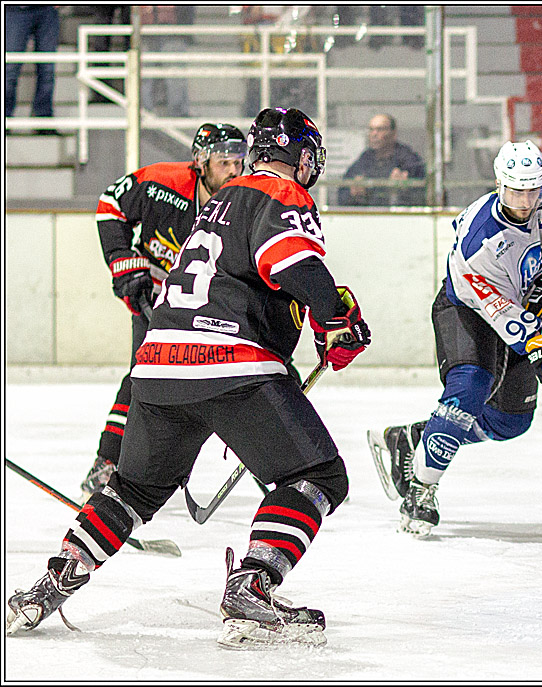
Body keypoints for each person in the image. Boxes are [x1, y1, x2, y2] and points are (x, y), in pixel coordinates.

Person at [6, 107, 372, 649]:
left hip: (157, 366)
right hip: (231, 366)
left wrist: (320, 317)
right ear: (300, 155)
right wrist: (338, 319)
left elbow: (249, 278)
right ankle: (252, 585)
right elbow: (290, 264)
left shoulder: (220, 200)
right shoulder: (281, 191)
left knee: (129, 491)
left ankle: (50, 583)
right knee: (319, 477)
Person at [367, 140, 542, 537]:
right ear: (498, 184)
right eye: (515, 190)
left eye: (533, 190)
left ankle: (415, 439)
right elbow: (499, 312)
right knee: (471, 386)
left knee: (510, 422)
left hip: (517, 308)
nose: (525, 201)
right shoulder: (479, 240)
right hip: (467, 310)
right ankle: (420, 488)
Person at [78, 122, 248, 500]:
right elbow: (110, 204)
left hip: (210, 301)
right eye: (224, 162)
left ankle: (284, 462)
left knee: (243, 373)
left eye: (239, 162)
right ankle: (107, 464)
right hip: (155, 293)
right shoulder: (162, 184)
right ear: (200, 161)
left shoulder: (245, 200)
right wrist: (123, 260)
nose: (235, 171)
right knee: (145, 374)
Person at [336, 114, 426, 206]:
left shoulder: (409, 161)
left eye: (380, 129)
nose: (374, 134)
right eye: (371, 130)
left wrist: (404, 190)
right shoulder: (364, 160)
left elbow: (425, 197)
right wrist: (354, 193)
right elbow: (342, 195)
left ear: (393, 133)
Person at [4, 5, 60, 123]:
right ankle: (6, 117)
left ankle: (43, 119)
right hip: (15, 9)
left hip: (47, 10)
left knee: (47, 70)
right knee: (10, 69)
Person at [139, 5, 194, 117]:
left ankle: (177, 112)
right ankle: (145, 113)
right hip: (147, 26)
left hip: (172, 27)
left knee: (174, 73)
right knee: (146, 74)